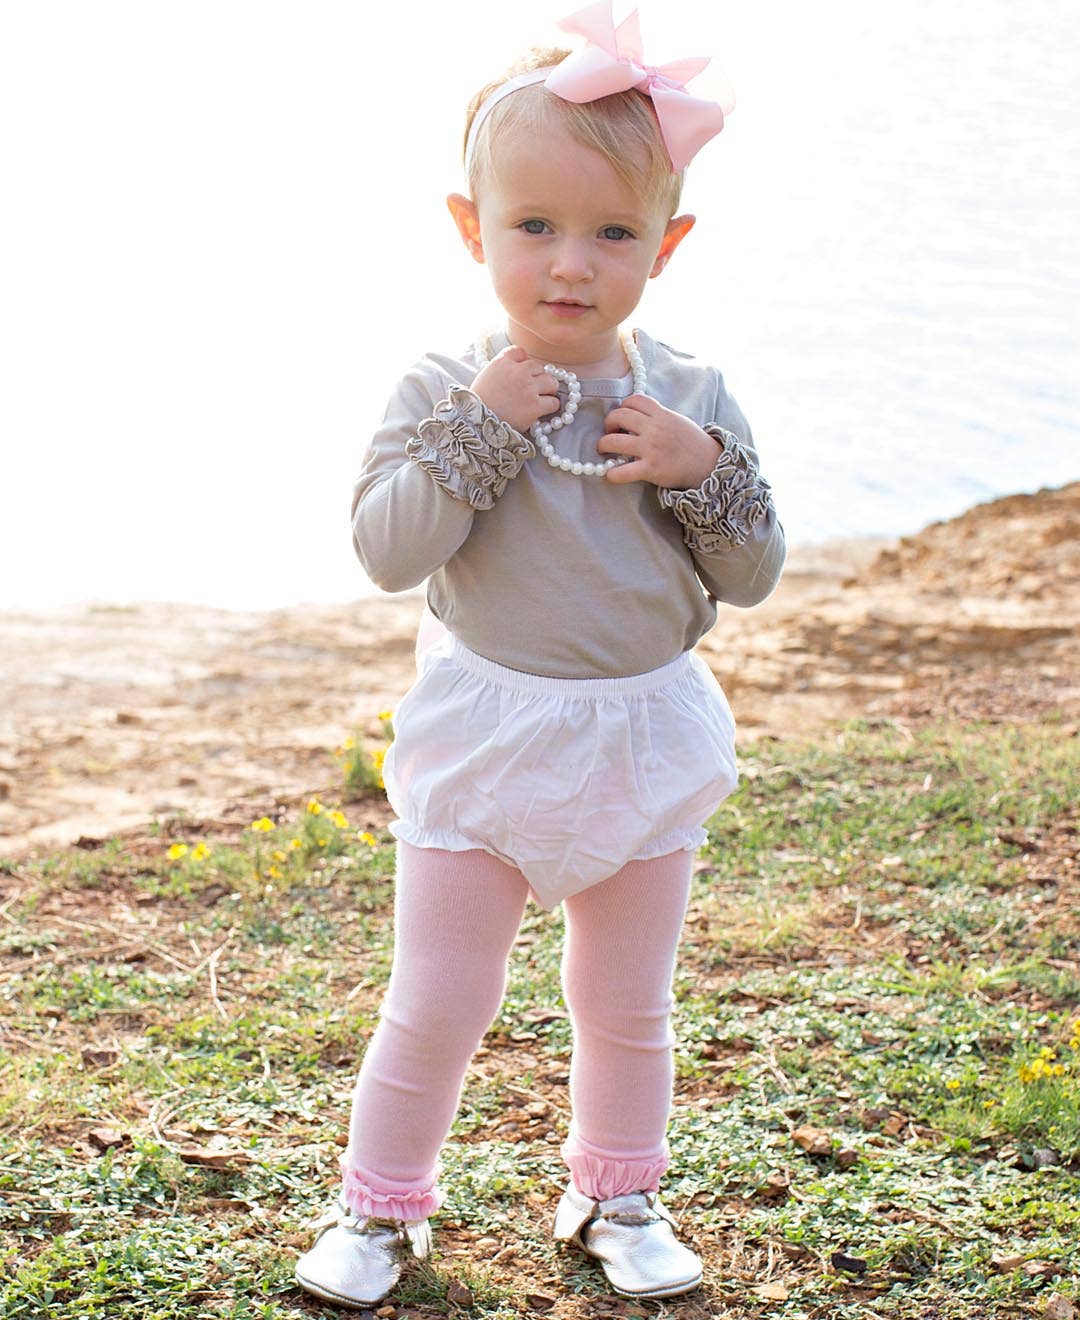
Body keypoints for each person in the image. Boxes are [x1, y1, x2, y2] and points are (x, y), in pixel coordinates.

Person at [296, 1, 785, 1307]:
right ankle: (380, 1209)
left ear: (666, 245)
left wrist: (708, 472)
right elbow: (387, 555)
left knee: (627, 1005)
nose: (570, 264)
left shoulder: (690, 398)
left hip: (642, 735)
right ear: (473, 229)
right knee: (437, 1001)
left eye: (612, 232)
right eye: (533, 227)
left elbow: (750, 574)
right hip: (487, 735)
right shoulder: (439, 386)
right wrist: (479, 431)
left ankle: (616, 1192)